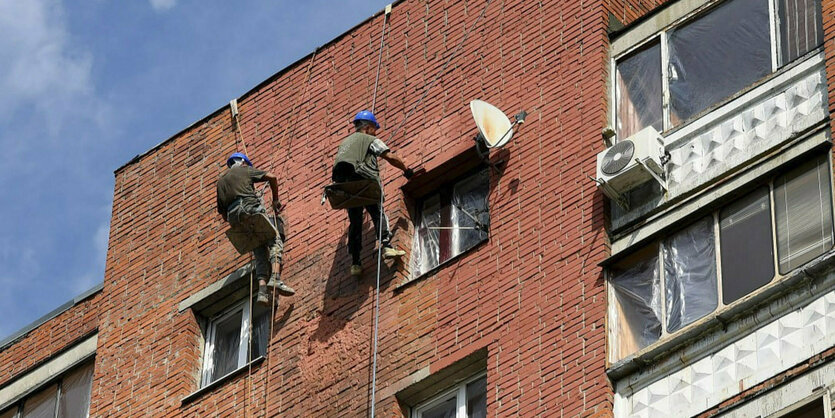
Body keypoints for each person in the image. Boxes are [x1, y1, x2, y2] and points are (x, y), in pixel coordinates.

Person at [332, 110, 415, 276]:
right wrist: (407, 170)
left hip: (345, 186)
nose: (375, 132)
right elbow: (390, 157)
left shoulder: (345, 143)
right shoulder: (369, 139)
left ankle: (355, 263)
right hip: (363, 180)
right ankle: (387, 246)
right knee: (378, 212)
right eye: (374, 129)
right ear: (368, 127)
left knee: (355, 222)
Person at [217, 152, 295, 305]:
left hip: (236, 220)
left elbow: (223, 215)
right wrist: (275, 200)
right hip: (249, 209)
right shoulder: (244, 170)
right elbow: (272, 177)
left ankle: (262, 292)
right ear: (243, 162)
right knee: (275, 240)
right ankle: (275, 279)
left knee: (259, 251)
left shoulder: (220, 182)